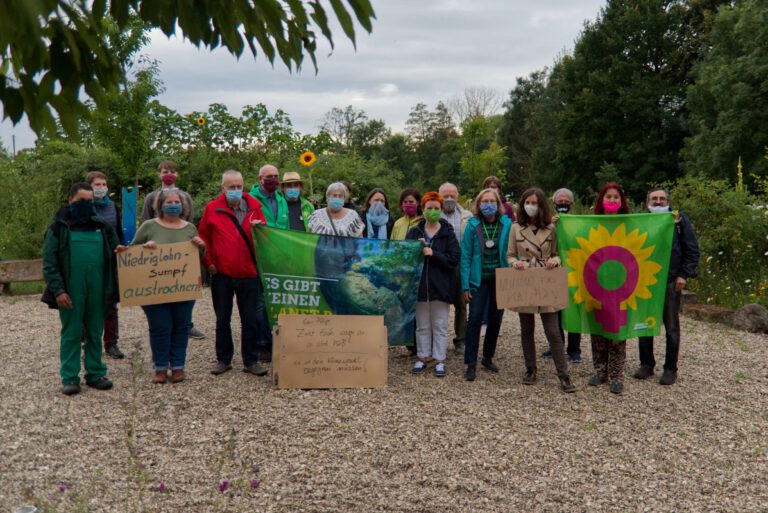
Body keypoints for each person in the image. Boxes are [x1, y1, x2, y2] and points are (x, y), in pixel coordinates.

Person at [42, 182, 124, 395]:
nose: (86, 205)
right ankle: (69, 377)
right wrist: (59, 291)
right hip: (70, 291)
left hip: (99, 289)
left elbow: (117, 252)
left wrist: (126, 252)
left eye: (90, 201)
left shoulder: (103, 226)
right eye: (81, 201)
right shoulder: (58, 227)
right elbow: (50, 262)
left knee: (96, 332)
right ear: (70, 200)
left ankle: (95, 374)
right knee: (71, 333)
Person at [199, 170, 270, 378]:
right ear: (223, 188)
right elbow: (203, 236)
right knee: (223, 319)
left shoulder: (255, 209)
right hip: (222, 273)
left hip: (248, 273)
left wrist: (261, 229)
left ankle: (251, 360)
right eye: (231, 187)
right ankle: (223, 359)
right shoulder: (212, 208)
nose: (236, 190)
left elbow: (265, 240)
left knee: (250, 320)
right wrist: (209, 263)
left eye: (239, 186)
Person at [132, 189, 206, 384]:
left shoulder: (190, 228)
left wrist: (201, 246)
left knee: (181, 327)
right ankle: (160, 367)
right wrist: (144, 247)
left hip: (183, 288)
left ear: (183, 206)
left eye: (177, 202)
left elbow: (199, 259)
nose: (174, 205)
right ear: (160, 205)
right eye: (169, 201)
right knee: (160, 327)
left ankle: (179, 366)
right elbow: (130, 253)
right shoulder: (149, 226)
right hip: (154, 289)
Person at [507, 187, 576, 393]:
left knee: (553, 331)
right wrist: (515, 263)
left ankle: (563, 374)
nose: (531, 206)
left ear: (542, 205)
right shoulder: (515, 228)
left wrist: (556, 259)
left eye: (535, 203)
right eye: (528, 202)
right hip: (525, 277)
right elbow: (510, 255)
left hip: (547, 277)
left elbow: (557, 252)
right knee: (526, 329)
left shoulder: (551, 228)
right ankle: (531, 369)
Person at [634, 187, 700, 385]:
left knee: (671, 327)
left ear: (668, 201)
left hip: (670, 281)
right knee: (644, 325)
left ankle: (670, 368)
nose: (658, 202)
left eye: (662, 199)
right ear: (647, 202)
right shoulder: (642, 221)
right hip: (645, 281)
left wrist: (683, 275)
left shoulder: (678, 220)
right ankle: (646, 363)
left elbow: (692, 249)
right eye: (654, 198)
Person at [141, 160, 204, 340]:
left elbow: (190, 221)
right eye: (165, 171)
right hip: (158, 252)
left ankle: (186, 325)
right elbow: (146, 220)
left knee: (185, 288)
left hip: (181, 250)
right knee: (160, 287)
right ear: (159, 174)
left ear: (177, 175)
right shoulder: (151, 197)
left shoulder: (185, 196)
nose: (169, 174)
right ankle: (162, 324)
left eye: (172, 171)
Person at [406, 192, 460, 377]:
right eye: (429, 208)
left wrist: (433, 253)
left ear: (441, 210)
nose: (432, 211)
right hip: (419, 286)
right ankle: (422, 356)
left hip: (441, 286)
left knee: (440, 324)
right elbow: (404, 257)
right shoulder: (414, 232)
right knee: (422, 325)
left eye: (436, 208)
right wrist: (416, 251)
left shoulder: (447, 232)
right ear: (423, 208)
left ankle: (439, 359)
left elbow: (454, 259)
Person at [460, 188, 512, 381]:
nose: (488, 204)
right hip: (478, 280)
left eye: (492, 201)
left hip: (501, 279)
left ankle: (487, 357)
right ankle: (470, 363)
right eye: (484, 201)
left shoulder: (506, 224)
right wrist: (465, 285)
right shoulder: (472, 225)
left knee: (495, 318)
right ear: (479, 204)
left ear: (498, 203)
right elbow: (465, 255)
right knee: (474, 318)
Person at [589, 181, 630, 394]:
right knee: (597, 330)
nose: (612, 200)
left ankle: (616, 375)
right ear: (601, 200)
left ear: (621, 201)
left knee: (617, 331)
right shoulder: (592, 223)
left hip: (622, 287)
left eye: (616, 197)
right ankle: (600, 371)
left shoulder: (630, 224)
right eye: (608, 197)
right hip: (597, 284)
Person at [84, 171, 125, 360]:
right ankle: (86, 344)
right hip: (89, 261)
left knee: (110, 304)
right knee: (87, 304)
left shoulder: (113, 207)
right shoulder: (82, 207)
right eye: (97, 184)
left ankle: (111, 343)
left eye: (104, 184)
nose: (101, 188)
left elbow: (118, 231)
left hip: (110, 261)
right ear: (89, 187)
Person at [543, 187, 582, 363]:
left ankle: (574, 350)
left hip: (575, 273)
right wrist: (550, 225)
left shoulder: (578, 222)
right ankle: (556, 345)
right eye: (560, 201)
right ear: (554, 203)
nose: (563, 204)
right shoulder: (547, 222)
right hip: (553, 272)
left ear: (572, 204)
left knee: (574, 312)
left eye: (566, 201)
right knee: (554, 312)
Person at [439, 182, 473, 353]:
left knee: (461, 304)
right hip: (439, 264)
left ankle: (460, 340)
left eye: (452, 195)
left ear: (458, 196)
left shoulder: (467, 215)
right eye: (445, 196)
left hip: (460, 264)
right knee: (438, 304)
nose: (449, 199)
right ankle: (438, 341)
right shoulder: (433, 214)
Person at [250, 164, 289, 229]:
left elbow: (287, 225)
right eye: (269, 176)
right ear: (260, 179)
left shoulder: (282, 200)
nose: (273, 179)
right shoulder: (250, 199)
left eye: (276, 176)